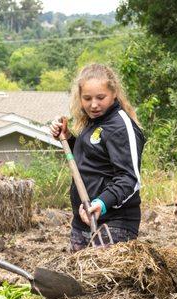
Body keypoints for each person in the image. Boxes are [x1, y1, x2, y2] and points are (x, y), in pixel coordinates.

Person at [50, 63, 146, 251]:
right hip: (83, 222)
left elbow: (129, 179)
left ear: (114, 93)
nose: (93, 105)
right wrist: (68, 138)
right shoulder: (93, 122)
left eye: (100, 97)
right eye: (87, 98)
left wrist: (101, 203)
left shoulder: (120, 126)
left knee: (103, 281)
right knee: (77, 280)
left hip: (114, 224)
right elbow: (91, 158)